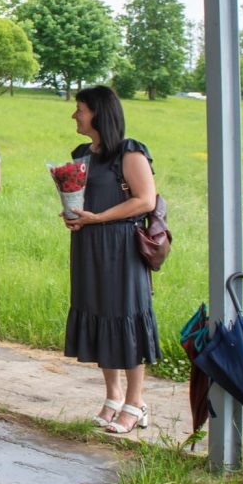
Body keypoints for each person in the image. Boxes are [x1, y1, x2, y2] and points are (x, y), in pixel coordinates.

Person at [63, 85, 161, 434]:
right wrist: (75, 216)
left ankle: (137, 403)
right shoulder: (81, 153)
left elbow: (145, 200)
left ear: (99, 113)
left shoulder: (129, 152)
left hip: (121, 246)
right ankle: (113, 396)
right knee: (100, 313)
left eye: (80, 109)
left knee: (125, 317)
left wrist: (99, 218)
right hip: (88, 244)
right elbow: (79, 197)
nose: (74, 115)